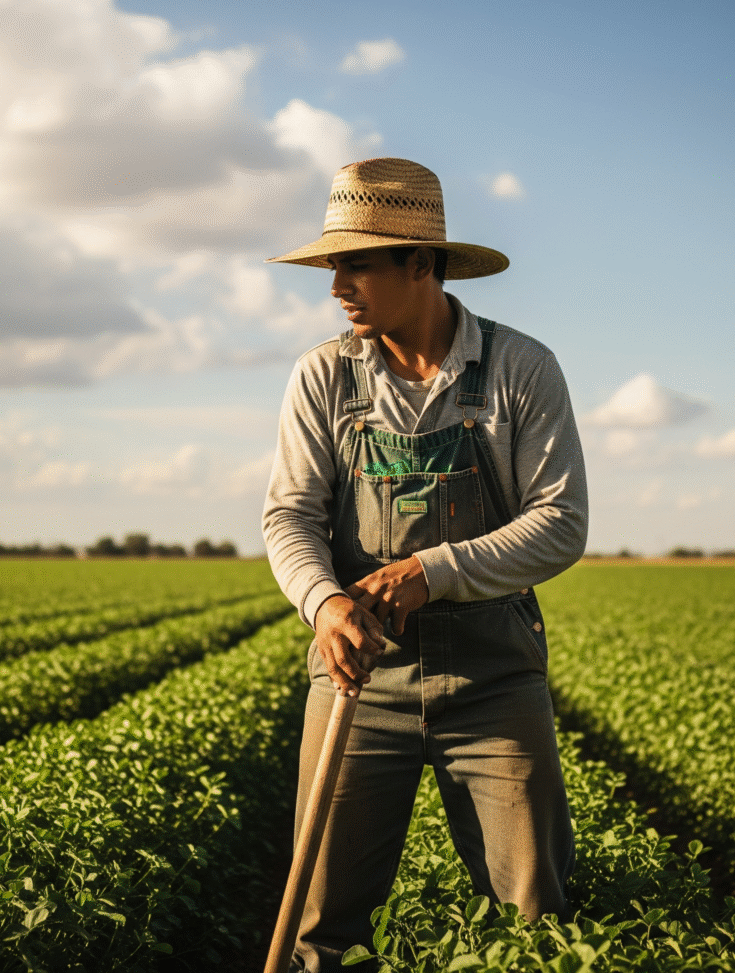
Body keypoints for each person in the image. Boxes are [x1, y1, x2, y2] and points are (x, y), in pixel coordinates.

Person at [262, 157, 588, 972]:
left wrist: (429, 571)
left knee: (532, 917)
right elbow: (290, 518)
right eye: (334, 265)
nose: (338, 284)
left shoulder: (519, 369)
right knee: (322, 926)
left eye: (357, 263)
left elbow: (561, 523)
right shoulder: (323, 377)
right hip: (358, 681)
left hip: (493, 683)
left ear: (421, 264)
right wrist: (327, 607)